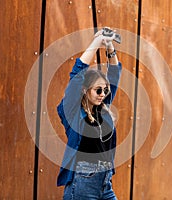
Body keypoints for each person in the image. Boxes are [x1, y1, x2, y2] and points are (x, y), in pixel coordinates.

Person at [56, 28, 122, 200]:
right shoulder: (72, 112)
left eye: (105, 90)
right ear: (85, 90)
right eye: (98, 90)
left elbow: (115, 73)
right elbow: (77, 74)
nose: (102, 94)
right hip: (82, 183)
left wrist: (109, 46)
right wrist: (96, 42)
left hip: (105, 182)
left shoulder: (103, 108)